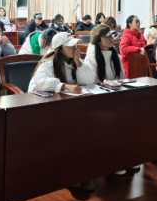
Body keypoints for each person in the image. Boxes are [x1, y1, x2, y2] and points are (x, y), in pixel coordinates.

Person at [28, 31, 96, 192]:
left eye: (75, 45)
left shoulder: (74, 61)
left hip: (66, 107)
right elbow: (41, 83)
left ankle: (81, 171)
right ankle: (72, 174)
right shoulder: (48, 63)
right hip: (43, 108)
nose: (75, 48)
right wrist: (64, 86)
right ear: (60, 49)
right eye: (70, 46)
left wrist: (79, 63)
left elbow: (89, 80)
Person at [85, 24, 138, 175]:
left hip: (115, 95)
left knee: (133, 116)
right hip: (100, 99)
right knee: (114, 119)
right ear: (98, 39)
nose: (111, 38)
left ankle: (127, 157)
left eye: (112, 35)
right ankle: (114, 160)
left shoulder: (116, 55)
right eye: (107, 36)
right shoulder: (91, 58)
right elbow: (93, 83)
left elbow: (122, 78)